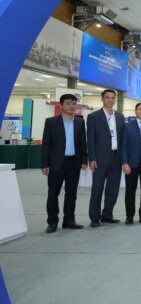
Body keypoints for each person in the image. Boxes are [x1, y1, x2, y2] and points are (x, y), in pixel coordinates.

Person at [41, 94, 87, 233]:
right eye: (68, 103)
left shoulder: (80, 122)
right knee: (53, 193)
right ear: (61, 105)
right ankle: (52, 222)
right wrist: (44, 164)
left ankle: (69, 220)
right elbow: (46, 144)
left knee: (71, 194)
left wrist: (84, 160)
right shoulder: (51, 122)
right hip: (56, 163)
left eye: (74, 103)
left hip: (74, 163)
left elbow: (82, 144)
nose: (72, 106)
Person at [87, 89, 125, 227]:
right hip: (100, 158)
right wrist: (92, 158)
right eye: (107, 97)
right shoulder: (93, 117)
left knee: (113, 188)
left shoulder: (120, 117)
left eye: (113, 97)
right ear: (102, 99)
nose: (110, 100)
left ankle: (107, 214)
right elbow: (90, 139)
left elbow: (123, 139)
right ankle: (94, 217)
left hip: (116, 158)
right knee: (97, 188)